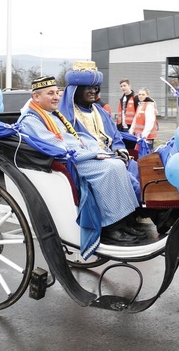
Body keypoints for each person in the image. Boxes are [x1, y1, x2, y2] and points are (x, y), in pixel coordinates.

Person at [18, 76, 141, 245]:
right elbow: (56, 146)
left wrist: (94, 149)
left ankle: (124, 222)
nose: (56, 97)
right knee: (109, 169)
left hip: (76, 155)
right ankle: (111, 227)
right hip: (65, 162)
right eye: (50, 93)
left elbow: (76, 137)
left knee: (118, 164)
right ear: (36, 97)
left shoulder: (52, 115)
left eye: (57, 93)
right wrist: (91, 154)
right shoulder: (31, 120)